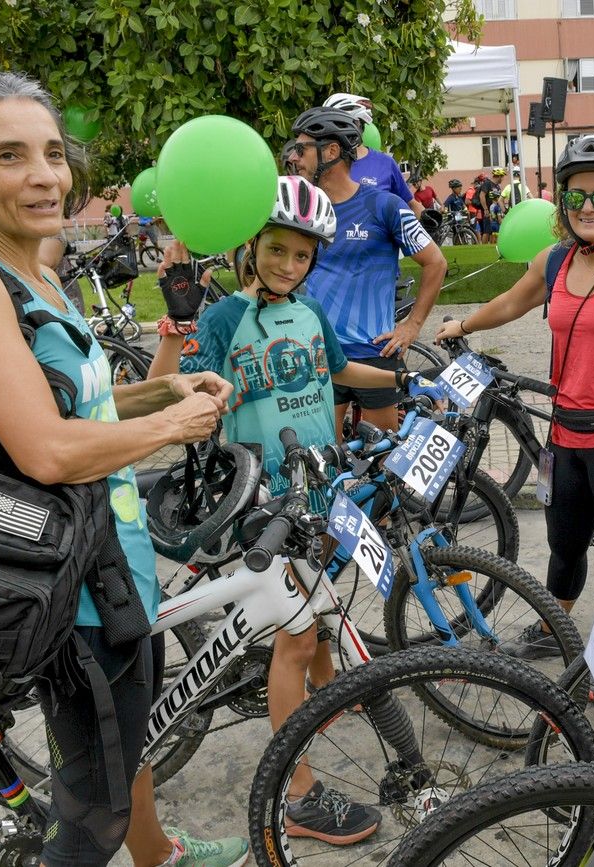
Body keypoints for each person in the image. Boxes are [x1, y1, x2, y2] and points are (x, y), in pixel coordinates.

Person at [0, 69, 245, 867]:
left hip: (112, 561)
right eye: (9, 156)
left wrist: (161, 387)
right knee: (88, 824)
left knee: (119, 757)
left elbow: (78, 409)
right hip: (63, 585)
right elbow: (47, 448)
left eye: (53, 153)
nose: (43, 175)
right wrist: (173, 422)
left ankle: (158, 853)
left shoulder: (38, 270)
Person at [148, 175, 444, 845]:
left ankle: (316, 700)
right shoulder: (226, 318)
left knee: (317, 613)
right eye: (277, 250)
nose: (288, 265)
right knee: (300, 634)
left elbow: (340, 371)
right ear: (251, 247)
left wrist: (412, 380)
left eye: (302, 255)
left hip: (318, 491)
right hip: (260, 498)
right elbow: (170, 390)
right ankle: (298, 790)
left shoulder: (308, 314)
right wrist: (179, 322)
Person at [432, 134, 594, 657]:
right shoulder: (555, 261)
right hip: (565, 436)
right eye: (576, 195)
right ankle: (553, 632)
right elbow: (511, 303)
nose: (588, 207)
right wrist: (463, 323)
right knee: (563, 546)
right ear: (562, 201)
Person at [289, 107, 446, 435]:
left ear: (331, 152)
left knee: (380, 467)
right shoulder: (304, 211)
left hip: (373, 354)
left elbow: (435, 262)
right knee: (322, 464)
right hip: (321, 354)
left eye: (302, 149)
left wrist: (412, 325)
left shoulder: (384, 206)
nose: (294, 157)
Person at [322, 92, 422, 218]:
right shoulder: (324, 163)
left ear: (358, 126)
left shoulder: (385, 163)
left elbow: (411, 204)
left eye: (339, 127)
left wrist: (429, 224)